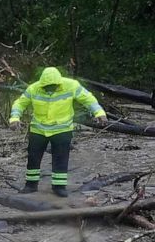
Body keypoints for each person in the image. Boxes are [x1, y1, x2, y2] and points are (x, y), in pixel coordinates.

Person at [9, 67, 107, 197]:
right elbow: (19, 103)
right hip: (38, 129)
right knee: (33, 157)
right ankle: (31, 185)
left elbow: (88, 99)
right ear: (42, 83)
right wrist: (15, 118)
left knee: (60, 158)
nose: (50, 89)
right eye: (46, 87)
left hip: (62, 128)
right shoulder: (34, 88)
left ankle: (59, 187)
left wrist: (99, 113)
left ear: (59, 83)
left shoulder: (71, 85)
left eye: (53, 86)